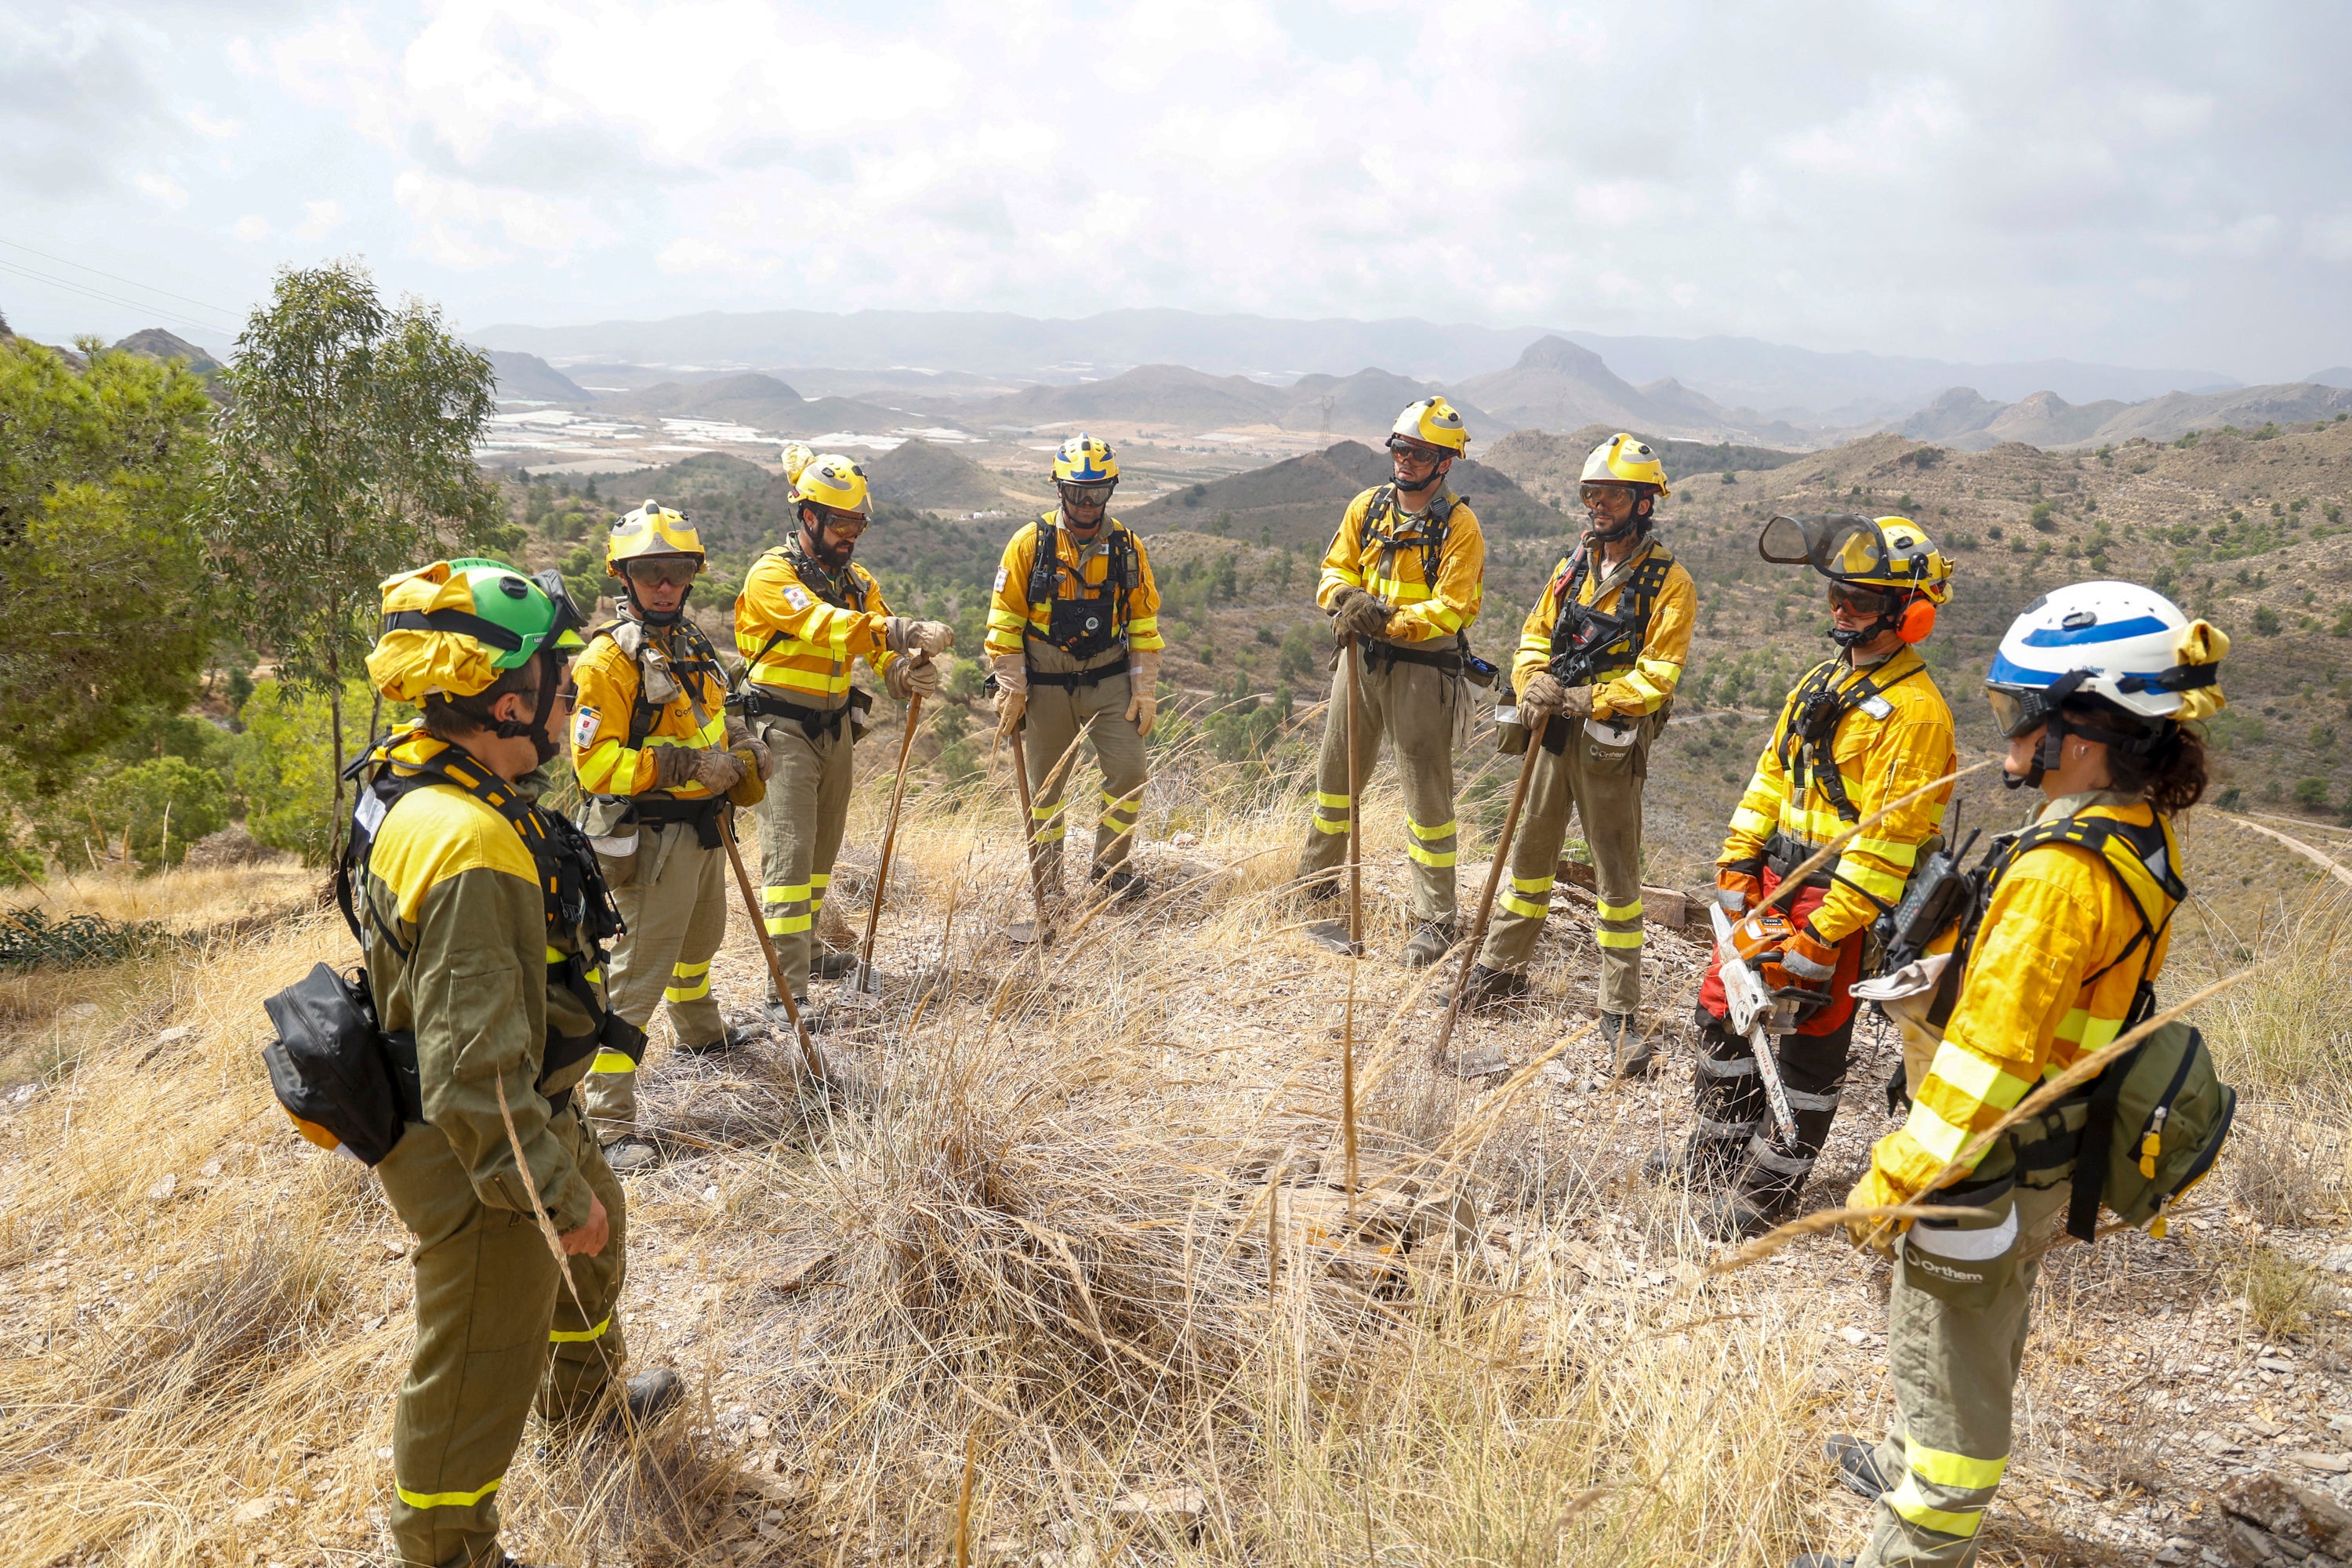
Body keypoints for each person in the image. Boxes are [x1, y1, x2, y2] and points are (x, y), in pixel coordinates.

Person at [1795, 582, 2227, 1568]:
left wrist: (1889, 1184)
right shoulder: (2122, 828)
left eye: (2020, 708)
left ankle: (1909, 1540)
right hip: (2042, 1152)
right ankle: (1903, 1456)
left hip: (1984, 1171)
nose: (2011, 730)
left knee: (1956, 1393)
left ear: (2081, 726)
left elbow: (1987, 1071)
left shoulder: (2058, 872)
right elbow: (2061, 989)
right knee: (1947, 1346)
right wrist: (1955, 973)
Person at [354, 559, 681, 1568]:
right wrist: (542, 1190)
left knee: (602, 1238)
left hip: (521, 1106)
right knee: (475, 1368)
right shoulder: (470, 845)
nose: (577, 693)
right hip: (481, 1149)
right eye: (558, 677)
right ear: (505, 700)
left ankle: (584, 1407)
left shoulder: (422, 771)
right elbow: (472, 1071)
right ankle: (446, 1548)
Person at [1663, 514, 1956, 1233]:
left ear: (1906, 611)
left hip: (1836, 902)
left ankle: (1767, 1194)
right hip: (1773, 881)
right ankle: (1714, 1156)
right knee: (1725, 1016)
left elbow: (1888, 843)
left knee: (1809, 1048)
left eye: (1859, 597)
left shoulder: (1917, 716)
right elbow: (1772, 775)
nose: (1841, 608)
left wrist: (1827, 932)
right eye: (1837, 594)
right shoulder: (1822, 681)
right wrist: (1738, 857)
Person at [1461, 434, 1693, 1069]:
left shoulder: (1669, 584)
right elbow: (1535, 635)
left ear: (1644, 503)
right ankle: (1500, 971)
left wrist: (1589, 698)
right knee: (1530, 856)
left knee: (1616, 877)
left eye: (1612, 494)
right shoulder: (1572, 566)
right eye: (1591, 493)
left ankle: (1618, 1012)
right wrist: (1533, 680)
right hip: (1551, 733)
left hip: (1609, 746)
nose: (1598, 505)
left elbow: (1659, 676)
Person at [572, 500, 771, 1172]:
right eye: (650, 570)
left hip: (707, 828)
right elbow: (594, 765)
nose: (664, 582)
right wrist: (686, 765)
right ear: (623, 576)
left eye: (676, 569)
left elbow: (719, 715)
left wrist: (744, 747)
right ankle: (608, 1120)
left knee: (699, 944)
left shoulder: (692, 642)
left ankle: (701, 1032)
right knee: (635, 981)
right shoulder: (608, 661)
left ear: (691, 576)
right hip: (652, 841)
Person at [735, 453, 953, 1015]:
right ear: (806, 517)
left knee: (819, 858)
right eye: (840, 524)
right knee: (789, 858)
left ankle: (806, 951)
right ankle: (784, 995)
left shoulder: (857, 583)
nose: (849, 535)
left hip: (834, 730)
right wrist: (901, 629)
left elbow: (879, 648)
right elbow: (821, 625)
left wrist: (906, 671)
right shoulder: (772, 575)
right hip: (780, 729)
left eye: (857, 525)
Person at [1294, 398, 1487, 967]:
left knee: (1426, 795)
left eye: (1419, 453)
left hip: (1422, 671)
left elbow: (1454, 609)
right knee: (1334, 781)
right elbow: (1334, 569)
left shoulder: (1460, 526)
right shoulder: (1367, 508)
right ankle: (1315, 883)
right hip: (1359, 660)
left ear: (1445, 463)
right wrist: (1346, 600)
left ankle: (1436, 921)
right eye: (1400, 449)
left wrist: (1387, 619)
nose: (1405, 461)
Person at [985, 433, 1166, 902]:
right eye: (1078, 492)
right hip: (1045, 683)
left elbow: (1144, 623)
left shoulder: (1128, 547)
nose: (1088, 503)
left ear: (1111, 490)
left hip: (1108, 678)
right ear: (1059, 489)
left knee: (1128, 773)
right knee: (1046, 790)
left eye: (1098, 492)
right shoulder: (1030, 543)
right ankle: (1048, 886)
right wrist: (1012, 687)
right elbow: (1004, 624)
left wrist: (1144, 689)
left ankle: (1111, 871)